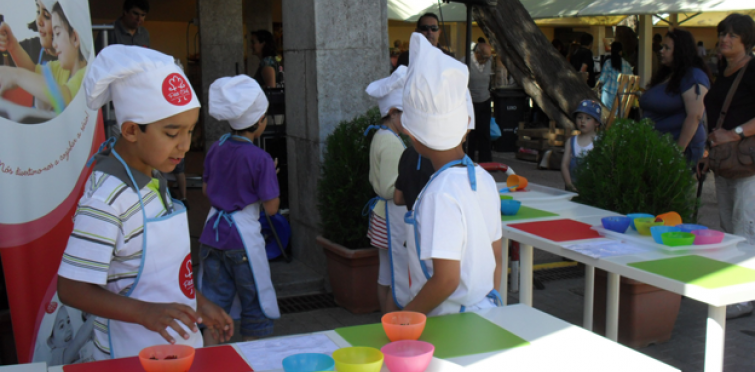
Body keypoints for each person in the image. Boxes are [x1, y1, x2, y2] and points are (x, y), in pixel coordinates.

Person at [56, 45, 233, 360]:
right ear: (131, 130)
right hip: (128, 356)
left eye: (190, 130)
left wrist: (200, 303)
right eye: (171, 133)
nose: (184, 145)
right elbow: (72, 288)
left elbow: (164, 272)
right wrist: (145, 314)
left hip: (175, 351)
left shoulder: (154, 178)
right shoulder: (107, 198)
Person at [399, 33, 503, 316]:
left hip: (450, 324)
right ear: (465, 126)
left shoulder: (439, 193)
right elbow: (496, 254)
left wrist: (405, 318)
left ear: (413, 136)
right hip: (486, 314)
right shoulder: (483, 178)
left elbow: (446, 280)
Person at [199, 75, 281, 342]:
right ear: (259, 122)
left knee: (214, 309)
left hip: (212, 234)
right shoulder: (261, 158)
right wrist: (269, 179)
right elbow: (271, 208)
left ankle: (211, 363)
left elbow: (206, 191)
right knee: (256, 307)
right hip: (243, 239)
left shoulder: (216, 147)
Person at [698, 14, 755, 319]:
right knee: (730, 227)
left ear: (746, 40)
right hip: (725, 162)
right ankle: (741, 288)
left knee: (746, 226)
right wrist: (709, 149)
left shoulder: (752, 69)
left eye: (733, 35)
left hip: (748, 163)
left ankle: (745, 296)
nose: (725, 39)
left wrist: (734, 133)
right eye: (722, 33)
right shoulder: (723, 72)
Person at [364, 66, 409, 313]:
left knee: (386, 274)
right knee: (396, 276)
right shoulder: (391, 142)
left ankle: (386, 321)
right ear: (393, 113)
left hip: (381, 215)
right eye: (406, 113)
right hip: (391, 215)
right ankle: (392, 322)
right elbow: (392, 188)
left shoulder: (381, 134)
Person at [0, 0, 91, 110]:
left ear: (75, 38)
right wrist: (13, 46)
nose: (53, 43)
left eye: (57, 34)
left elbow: (63, 96)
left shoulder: (86, 75)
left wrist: (15, 75)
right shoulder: (60, 69)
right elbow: (32, 72)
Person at [639, 28, 711, 166]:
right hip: (658, 147)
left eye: (667, 48)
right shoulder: (669, 74)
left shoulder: (693, 76)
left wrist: (677, 152)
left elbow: (695, 116)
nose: (661, 51)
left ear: (680, 51)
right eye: (662, 47)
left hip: (678, 152)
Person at [0, 0, 58, 70]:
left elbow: (37, 77)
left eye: (46, 15)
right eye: (38, 12)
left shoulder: (68, 65)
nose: (39, 21)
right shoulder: (29, 48)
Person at [561, 100, 601, 191]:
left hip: (591, 190)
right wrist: (569, 184)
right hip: (571, 189)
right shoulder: (571, 141)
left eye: (588, 118)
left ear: (597, 123)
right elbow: (564, 165)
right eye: (579, 117)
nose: (582, 121)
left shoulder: (599, 142)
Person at [467, 42, 493, 162]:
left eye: (489, 58)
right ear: (477, 53)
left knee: (484, 133)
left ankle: (486, 161)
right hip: (471, 102)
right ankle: (469, 159)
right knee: (470, 134)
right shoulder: (466, 61)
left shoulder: (489, 61)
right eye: (485, 58)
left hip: (485, 100)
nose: (487, 60)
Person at [597, 42, 633, 110]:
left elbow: (602, 79)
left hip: (608, 95)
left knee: (606, 115)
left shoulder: (608, 63)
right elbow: (631, 80)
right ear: (621, 52)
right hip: (622, 96)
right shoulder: (627, 65)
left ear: (611, 51)